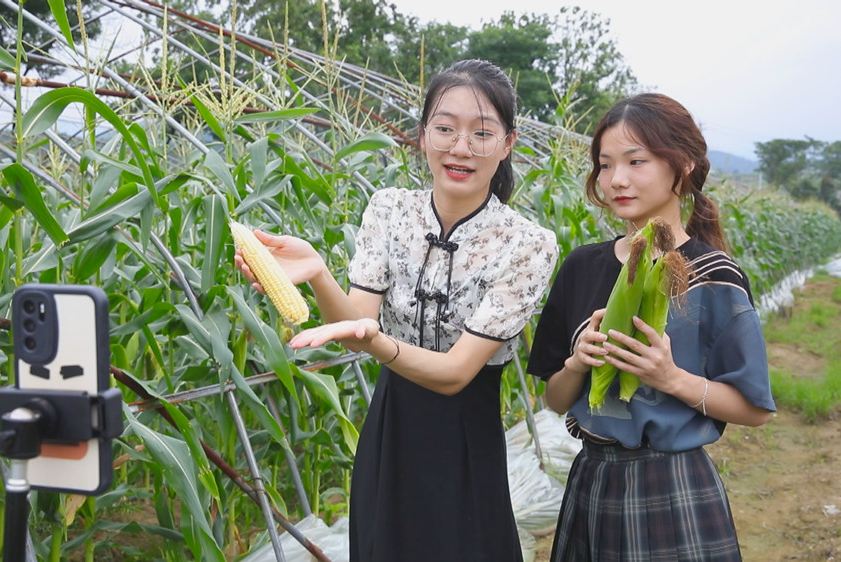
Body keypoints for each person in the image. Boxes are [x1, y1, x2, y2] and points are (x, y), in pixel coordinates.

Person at [235, 59, 557, 561]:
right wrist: (319, 272)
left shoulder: (527, 244)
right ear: (423, 134)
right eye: (445, 128)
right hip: (390, 428)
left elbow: (454, 374)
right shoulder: (390, 210)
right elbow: (354, 323)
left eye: (482, 133)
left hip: (466, 437)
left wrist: (377, 341)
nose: (460, 147)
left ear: (507, 144)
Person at [526, 92, 775, 561]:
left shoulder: (715, 276)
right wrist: (578, 363)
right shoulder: (581, 267)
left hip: (675, 484)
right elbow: (555, 400)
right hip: (592, 481)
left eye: (635, 161)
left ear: (680, 167)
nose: (616, 179)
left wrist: (671, 378)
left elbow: (754, 409)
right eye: (605, 165)